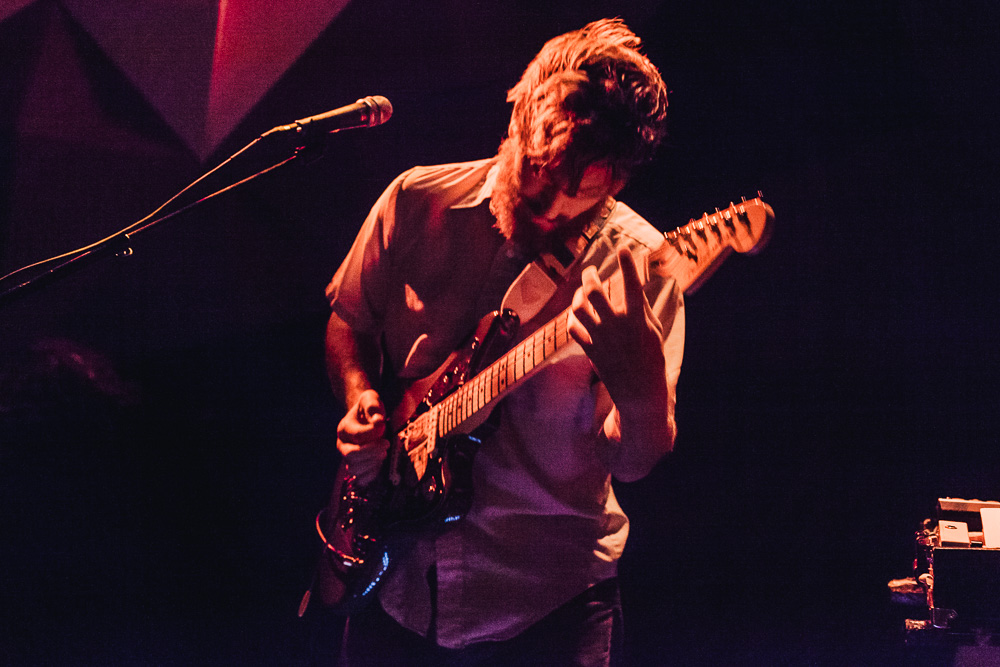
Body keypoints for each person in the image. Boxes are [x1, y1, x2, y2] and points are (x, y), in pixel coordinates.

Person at [322, 18, 684, 666]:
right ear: (516, 108)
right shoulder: (413, 200)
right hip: (394, 587)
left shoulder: (640, 262)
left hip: (548, 610)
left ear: (618, 181)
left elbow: (630, 458)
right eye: (534, 175)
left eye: (574, 196)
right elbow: (349, 318)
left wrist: (641, 393)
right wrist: (358, 395)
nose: (544, 210)